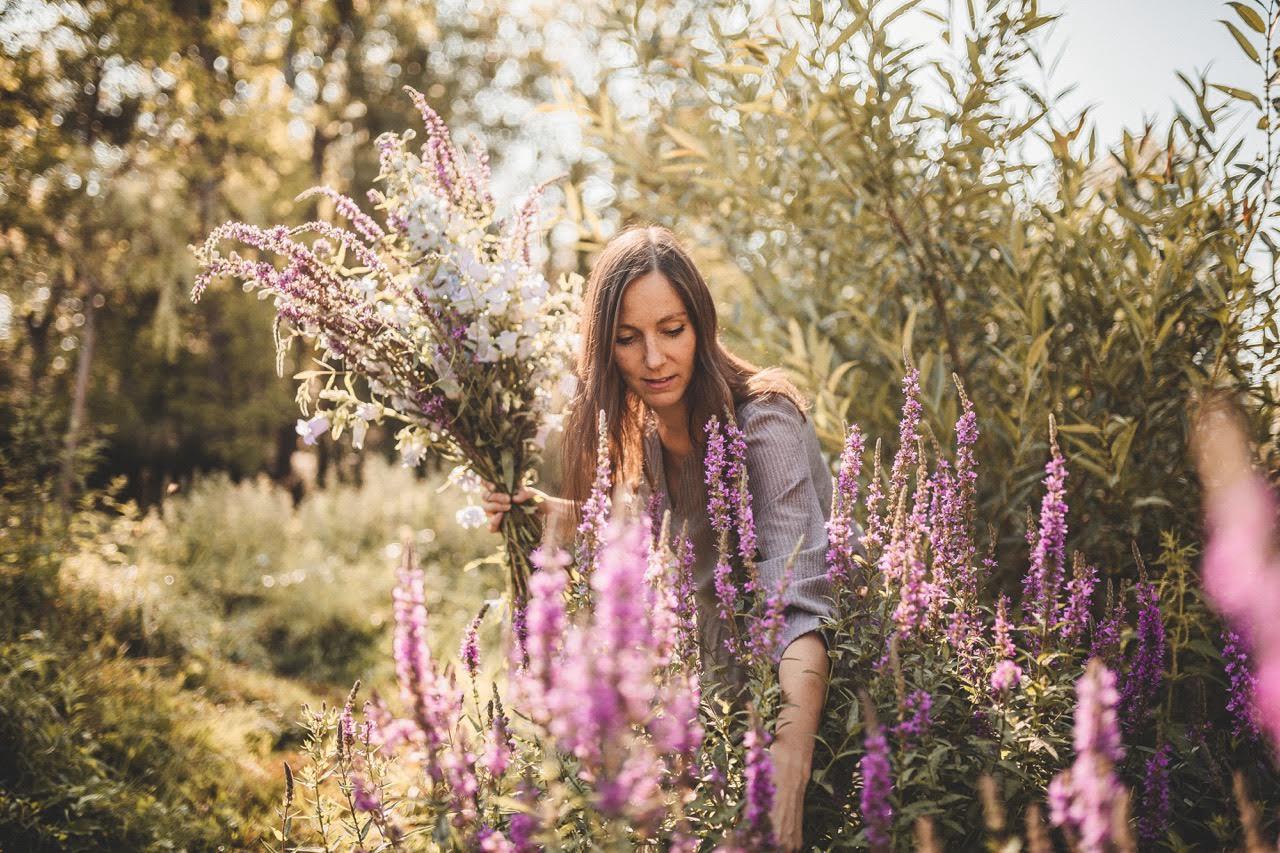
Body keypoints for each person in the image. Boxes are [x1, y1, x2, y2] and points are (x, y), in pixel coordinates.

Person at [482, 224, 845, 851]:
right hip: (718, 721)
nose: (653, 359)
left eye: (671, 330)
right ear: (606, 350)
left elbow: (799, 613)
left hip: (822, 725)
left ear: (701, 327)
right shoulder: (647, 439)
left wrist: (787, 772)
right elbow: (638, 522)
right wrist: (549, 513)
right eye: (628, 339)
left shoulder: (764, 428)